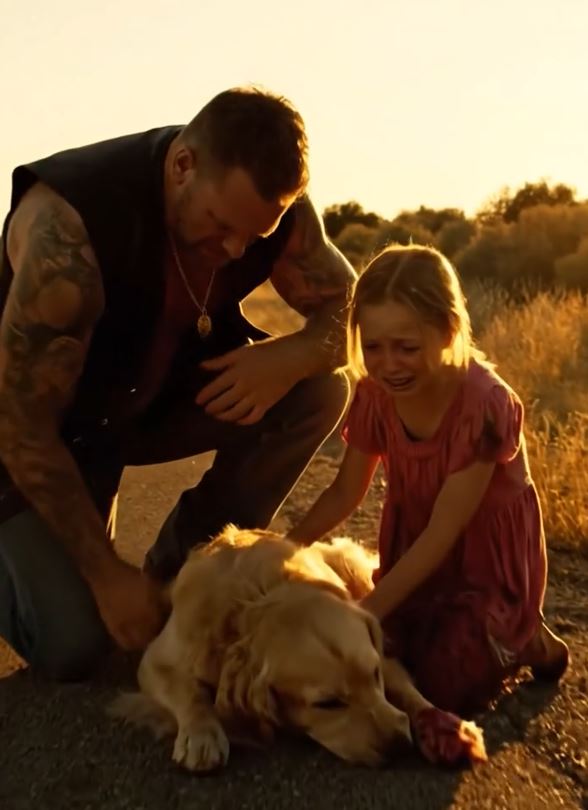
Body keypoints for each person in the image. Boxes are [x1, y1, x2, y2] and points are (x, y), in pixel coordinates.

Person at [0, 86, 356, 681]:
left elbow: (355, 310)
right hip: (32, 437)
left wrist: (291, 356)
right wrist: (107, 576)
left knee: (319, 391)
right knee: (79, 647)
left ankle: (187, 578)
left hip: (139, 405)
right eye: (222, 225)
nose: (236, 249)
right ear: (183, 165)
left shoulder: (269, 211)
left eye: (254, 236)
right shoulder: (68, 233)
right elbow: (21, 428)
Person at [288, 244, 569, 716]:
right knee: (389, 661)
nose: (389, 364)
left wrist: (365, 614)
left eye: (407, 348)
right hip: (414, 546)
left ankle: (528, 637)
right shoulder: (376, 393)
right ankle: (490, 632)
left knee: (439, 688)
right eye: (373, 347)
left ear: (448, 331)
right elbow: (345, 491)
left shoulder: (483, 405)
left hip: (480, 559)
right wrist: (283, 550)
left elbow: (445, 530)